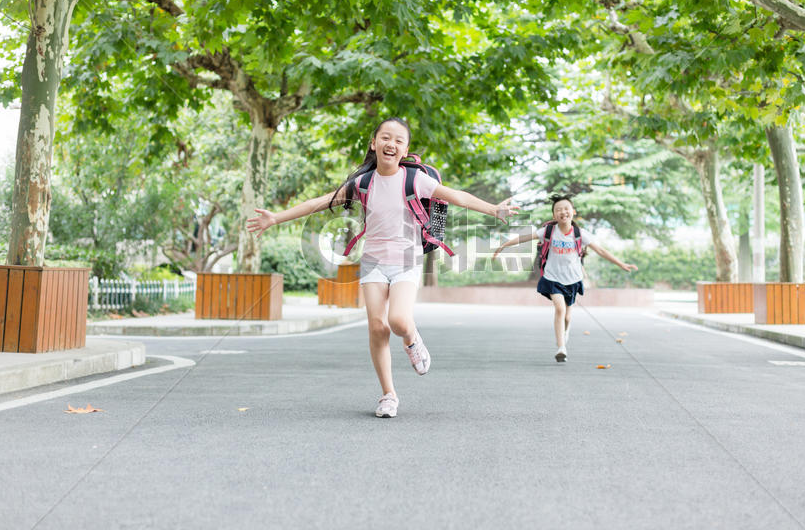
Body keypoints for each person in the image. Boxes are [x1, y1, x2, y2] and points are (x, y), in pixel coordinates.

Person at [247, 117, 518, 417]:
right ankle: (388, 394)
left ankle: (413, 340)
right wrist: (275, 218)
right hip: (373, 262)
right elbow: (317, 203)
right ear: (373, 143)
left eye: (398, 140)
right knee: (378, 327)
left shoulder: (416, 180)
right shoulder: (361, 183)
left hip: (406, 260)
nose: (391, 144)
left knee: (400, 321)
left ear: (405, 150)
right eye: (385, 138)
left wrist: (494, 209)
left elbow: (457, 196)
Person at [492, 194, 637, 363]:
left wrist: (621, 264)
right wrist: (503, 245)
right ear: (554, 216)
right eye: (558, 210)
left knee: (568, 317)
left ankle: (565, 332)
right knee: (559, 309)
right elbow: (524, 238)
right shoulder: (547, 231)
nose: (563, 212)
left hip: (573, 279)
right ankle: (561, 348)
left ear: (573, 212)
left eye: (566, 209)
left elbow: (601, 251)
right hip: (553, 278)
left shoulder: (579, 234)